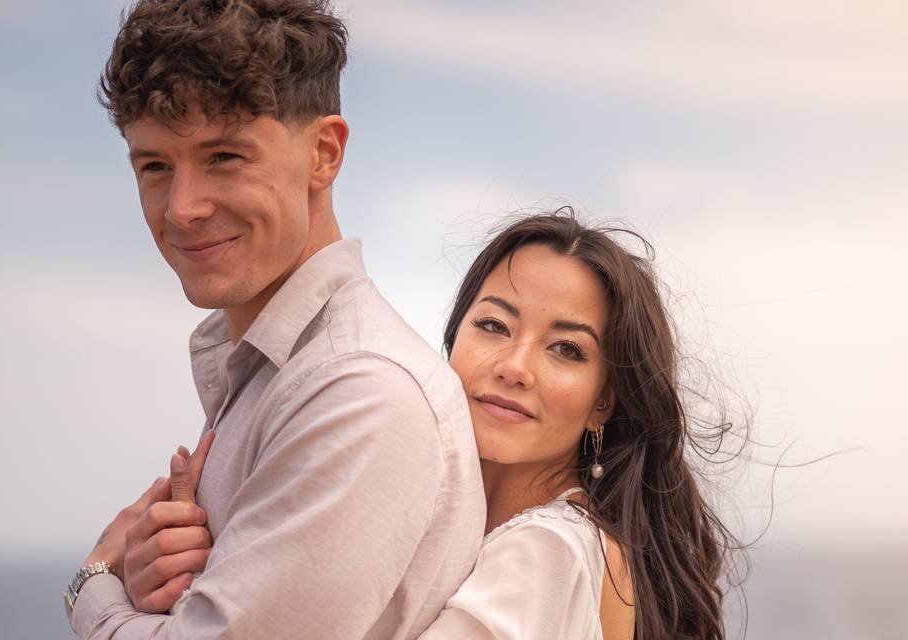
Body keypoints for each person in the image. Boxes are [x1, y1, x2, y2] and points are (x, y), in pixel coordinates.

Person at [64, 1, 486, 638]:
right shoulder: (271, 367)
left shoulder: (360, 391)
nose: (183, 209)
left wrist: (95, 584)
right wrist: (163, 594)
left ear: (323, 152)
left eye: (224, 157)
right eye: (154, 166)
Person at [160, 211, 740, 639]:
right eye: (493, 326)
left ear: (603, 402)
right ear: (450, 343)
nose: (514, 367)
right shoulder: (470, 535)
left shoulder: (548, 550)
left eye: (566, 349)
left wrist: (106, 592)